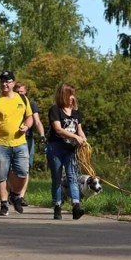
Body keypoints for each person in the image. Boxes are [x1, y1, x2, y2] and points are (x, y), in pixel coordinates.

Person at [0, 70, 33, 216]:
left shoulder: (22, 99)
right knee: (1, 175)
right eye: (2, 81)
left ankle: (15, 195)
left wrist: (27, 126)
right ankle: (4, 204)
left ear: (13, 83)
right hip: (0, 144)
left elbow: (29, 117)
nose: (4, 84)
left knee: (23, 172)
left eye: (8, 81)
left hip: (20, 143)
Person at [47, 82, 87, 220]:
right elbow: (58, 129)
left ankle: (76, 205)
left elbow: (79, 129)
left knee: (72, 177)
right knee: (57, 178)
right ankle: (57, 206)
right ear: (63, 95)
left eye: (73, 95)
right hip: (56, 148)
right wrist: (75, 136)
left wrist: (83, 139)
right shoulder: (55, 110)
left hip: (71, 149)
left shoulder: (76, 113)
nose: (72, 97)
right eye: (69, 94)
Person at [12, 81, 45, 206]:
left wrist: (42, 135)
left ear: (25, 92)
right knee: (12, 169)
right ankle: (13, 192)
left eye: (22, 92)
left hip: (27, 140)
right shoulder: (10, 104)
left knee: (25, 169)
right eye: (17, 92)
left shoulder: (30, 104)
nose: (20, 94)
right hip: (12, 139)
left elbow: (37, 121)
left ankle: (20, 196)